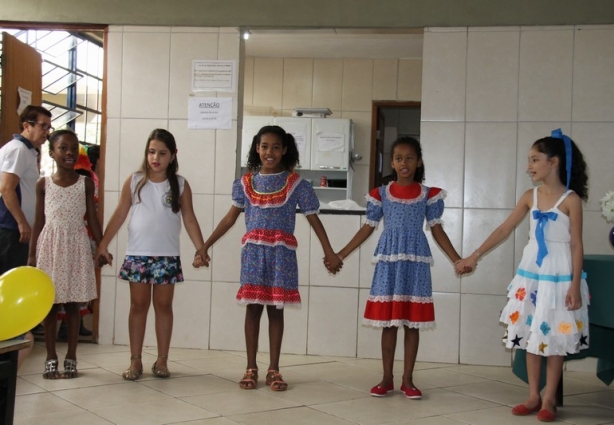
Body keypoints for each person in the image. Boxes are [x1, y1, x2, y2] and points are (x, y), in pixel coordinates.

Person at [455, 129, 589, 422]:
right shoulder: (531, 196)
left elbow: (577, 244)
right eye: (530, 160)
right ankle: (533, 395)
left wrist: (575, 285)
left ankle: (550, 399)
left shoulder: (571, 200)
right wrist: (474, 255)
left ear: (553, 162)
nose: (529, 166)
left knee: (553, 335)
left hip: (559, 274)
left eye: (534, 159)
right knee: (531, 334)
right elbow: (504, 229)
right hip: (532, 274)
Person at [201, 125, 342, 391]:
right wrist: (206, 245)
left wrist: (329, 252)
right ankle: (250, 367)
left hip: (281, 255)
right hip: (253, 254)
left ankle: (274, 369)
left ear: (285, 149)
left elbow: (314, 220)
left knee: (276, 311)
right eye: (264, 146)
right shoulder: (244, 183)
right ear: (257, 148)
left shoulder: (297, 183)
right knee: (253, 309)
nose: (270, 152)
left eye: (276, 147)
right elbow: (230, 218)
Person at [336, 136, 466, 400]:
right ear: (392, 163)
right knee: (388, 323)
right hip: (389, 262)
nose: (404, 163)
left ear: (418, 162)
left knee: (412, 323)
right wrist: (341, 254)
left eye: (409, 158)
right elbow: (367, 228)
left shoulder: (428, 195)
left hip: (415, 262)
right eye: (398, 158)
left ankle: (408, 379)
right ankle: (387, 378)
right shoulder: (380, 194)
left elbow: (437, 230)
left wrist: (457, 259)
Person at [96, 128, 207, 381]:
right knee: (138, 306)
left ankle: (162, 360)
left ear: (173, 155)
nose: (155, 157)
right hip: (138, 255)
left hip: (167, 256)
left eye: (162, 153)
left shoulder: (180, 184)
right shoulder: (135, 180)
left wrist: (201, 248)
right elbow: (120, 213)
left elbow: (189, 218)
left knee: (164, 307)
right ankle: (135, 361)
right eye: (151, 151)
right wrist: (103, 244)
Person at [27, 129, 102, 379]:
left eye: (73, 148)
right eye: (63, 148)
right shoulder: (43, 184)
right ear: (52, 153)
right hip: (50, 246)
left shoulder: (85, 184)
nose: (69, 153)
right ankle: (50, 356)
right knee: (51, 304)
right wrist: (31, 256)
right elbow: (38, 222)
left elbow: (92, 218)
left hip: (76, 245)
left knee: (72, 305)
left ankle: (71, 356)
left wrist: (101, 247)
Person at [0, 105, 53, 369]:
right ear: (26, 125)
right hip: (10, 231)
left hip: (16, 231)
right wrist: (22, 222)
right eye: (42, 126)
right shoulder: (18, 150)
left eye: (48, 127)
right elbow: (7, 189)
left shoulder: (28, 152)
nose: (46, 132)